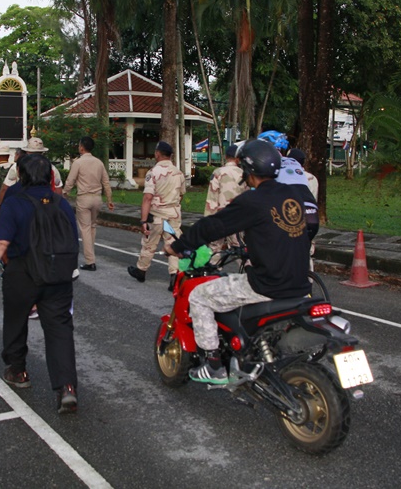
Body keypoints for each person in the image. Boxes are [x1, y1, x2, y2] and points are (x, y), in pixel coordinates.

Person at [163, 139, 314, 385]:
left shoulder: (253, 201)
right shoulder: (293, 194)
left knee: (199, 297)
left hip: (268, 284)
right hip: (301, 284)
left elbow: (212, 226)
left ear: (248, 171)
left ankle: (213, 365)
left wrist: (178, 247)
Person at [0, 154, 79, 414]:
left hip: (23, 272)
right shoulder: (62, 203)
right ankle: (66, 387)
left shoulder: (15, 202)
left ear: (20, 175)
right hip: (58, 275)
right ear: (50, 177)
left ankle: (18, 370)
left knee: (15, 319)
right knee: (60, 330)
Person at [127, 141, 186, 291]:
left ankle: (141, 270)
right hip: (172, 215)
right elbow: (182, 195)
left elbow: (147, 198)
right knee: (173, 244)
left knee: (149, 243)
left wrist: (143, 219)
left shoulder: (153, 172)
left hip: (157, 215)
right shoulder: (179, 173)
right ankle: (174, 276)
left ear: (157, 154)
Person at [62, 136, 115, 271]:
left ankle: (90, 261)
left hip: (84, 198)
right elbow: (106, 182)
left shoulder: (78, 163)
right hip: (97, 198)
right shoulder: (99, 163)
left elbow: (70, 181)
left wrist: (64, 194)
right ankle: (91, 255)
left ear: (81, 147)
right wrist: (109, 200)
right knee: (92, 227)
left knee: (85, 229)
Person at [203, 144, 248, 257]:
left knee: (214, 250)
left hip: (219, 219)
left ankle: (212, 272)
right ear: (238, 158)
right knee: (240, 249)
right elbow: (247, 198)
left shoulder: (218, 173)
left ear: (226, 156)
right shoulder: (244, 174)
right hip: (236, 219)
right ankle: (249, 271)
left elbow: (211, 200)